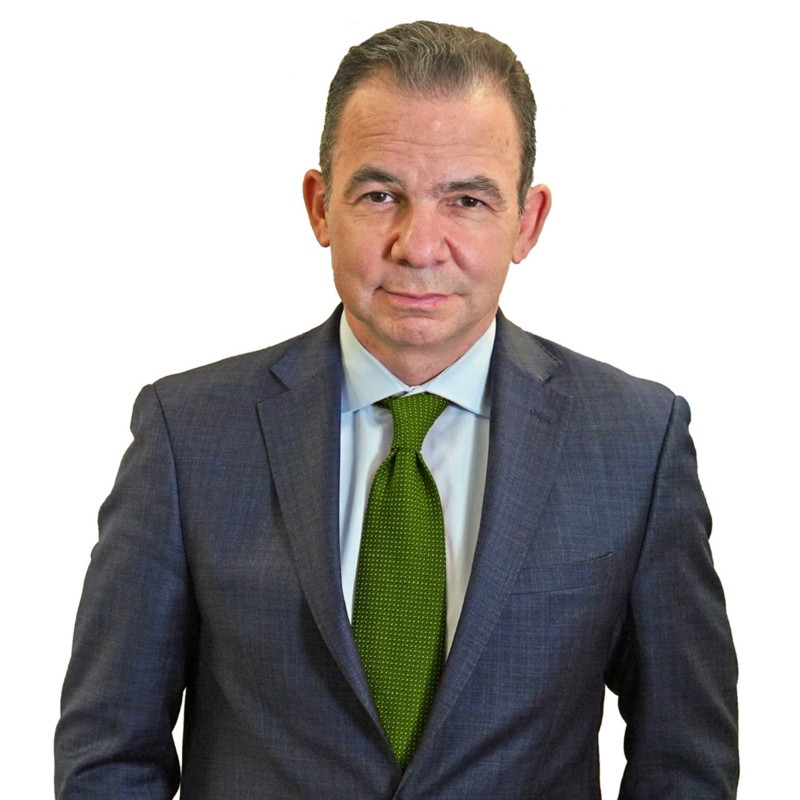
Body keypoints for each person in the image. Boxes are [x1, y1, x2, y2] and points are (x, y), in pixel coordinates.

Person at [54, 20, 738, 799]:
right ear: (320, 207)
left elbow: (686, 763)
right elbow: (109, 756)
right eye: (381, 196)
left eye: (468, 200)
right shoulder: (189, 434)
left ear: (527, 221)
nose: (419, 246)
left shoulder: (637, 443)